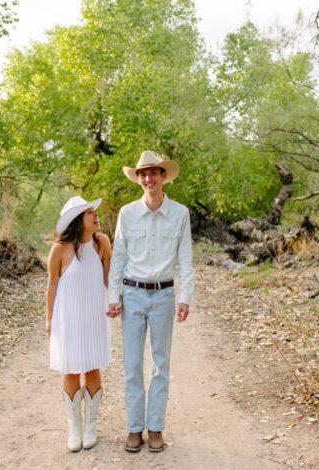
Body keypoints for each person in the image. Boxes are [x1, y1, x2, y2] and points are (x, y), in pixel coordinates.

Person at [107, 150, 194, 453]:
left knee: (161, 365)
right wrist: (113, 295)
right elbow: (118, 256)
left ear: (163, 176)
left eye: (153, 173)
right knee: (131, 366)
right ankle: (134, 428)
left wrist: (185, 298)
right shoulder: (127, 213)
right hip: (132, 295)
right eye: (142, 174)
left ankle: (155, 427)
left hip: (163, 296)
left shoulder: (180, 213)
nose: (147, 179)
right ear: (138, 179)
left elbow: (185, 258)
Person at [45, 196, 113, 452]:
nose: (95, 215)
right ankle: (74, 426)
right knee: (71, 370)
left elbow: (108, 280)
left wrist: (117, 302)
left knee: (93, 369)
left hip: (94, 315)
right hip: (69, 317)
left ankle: (90, 426)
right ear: (77, 220)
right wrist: (49, 320)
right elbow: (52, 285)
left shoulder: (102, 243)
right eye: (89, 213)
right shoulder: (60, 249)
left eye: (94, 211)